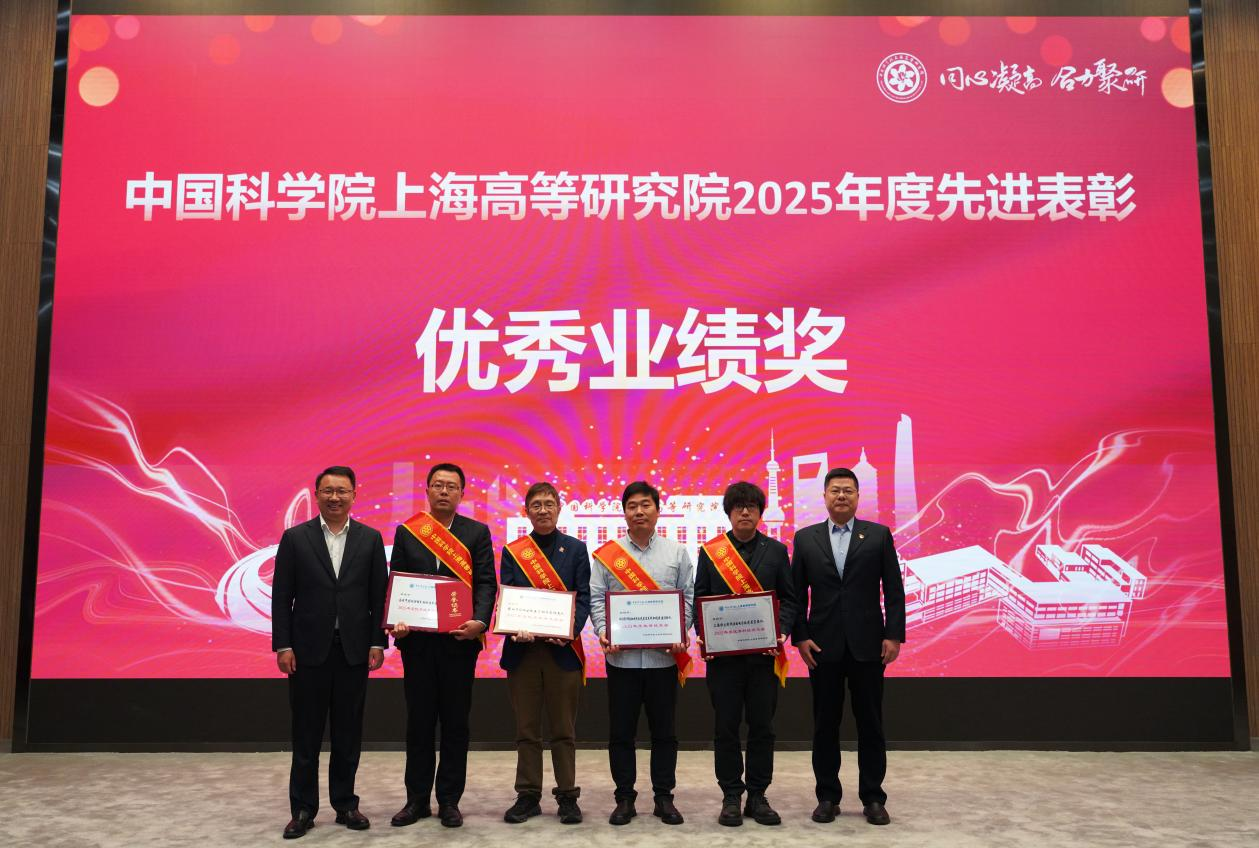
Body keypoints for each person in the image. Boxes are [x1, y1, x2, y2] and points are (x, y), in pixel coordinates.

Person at [271, 466, 387, 839]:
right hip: (307, 652)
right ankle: (303, 809)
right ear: (317, 494)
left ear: (354, 494)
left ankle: (346, 804)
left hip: (353, 651)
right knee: (306, 735)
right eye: (328, 491)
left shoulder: (370, 539)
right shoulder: (295, 538)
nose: (335, 497)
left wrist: (377, 642)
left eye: (342, 491)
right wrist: (283, 645)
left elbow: (379, 597)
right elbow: (281, 597)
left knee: (348, 733)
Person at [791, 467, 906, 826]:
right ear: (824, 496)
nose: (841, 496)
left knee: (871, 723)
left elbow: (894, 590)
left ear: (858, 496)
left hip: (869, 646)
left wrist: (893, 635)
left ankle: (873, 797)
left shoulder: (878, 536)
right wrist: (800, 637)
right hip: (822, 647)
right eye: (835, 490)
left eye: (848, 491)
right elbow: (796, 596)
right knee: (825, 724)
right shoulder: (805, 539)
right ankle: (827, 796)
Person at [389, 463, 496, 828]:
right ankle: (416, 800)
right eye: (438, 485)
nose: (444, 491)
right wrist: (397, 619)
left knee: (455, 723)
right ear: (427, 491)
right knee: (419, 723)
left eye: (451, 486)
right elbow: (397, 581)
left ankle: (449, 800)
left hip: (459, 643)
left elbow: (486, 582)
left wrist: (480, 621)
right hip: (417, 644)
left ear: (462, 493)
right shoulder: (408, 532)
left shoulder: (476, 532)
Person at [589, 480, 694, 826]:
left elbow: (688, 598)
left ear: (657, 510)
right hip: (622, 661)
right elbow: (597, 599)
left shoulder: (676, 553)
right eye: (632, 506)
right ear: (624, 512)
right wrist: (603, 631)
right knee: (621, 733)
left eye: (645, 505)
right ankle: (624, 798)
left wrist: (680, 632)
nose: (639, 511)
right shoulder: (607, 555)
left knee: (665, 732)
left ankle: (664, 797)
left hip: (663, 660)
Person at [694, 481, 796, 827]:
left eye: (752, 506)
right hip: (724, 660)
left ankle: (757, 794)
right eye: (738, 507)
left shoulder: (777, 551)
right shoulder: (711, 552)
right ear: (729, 512)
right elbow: (700, 599)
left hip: (763, 658)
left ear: (760, 512)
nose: (745, 512)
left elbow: (790, 599)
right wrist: (704, 636)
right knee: (725, 727)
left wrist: (781, 631)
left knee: (762, 727)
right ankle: (731, 795)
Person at [499, 482, 591, 825]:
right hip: (522, 652)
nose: (543, 510)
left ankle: (567, 795)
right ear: (526, 511)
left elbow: (584, 597)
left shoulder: (576, 549)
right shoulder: (513, 551)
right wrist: (514, 627)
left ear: (559, 508)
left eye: (549, 504)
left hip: (562, 653)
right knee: (527, 729)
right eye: (536, 505)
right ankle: (528, 795)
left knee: (563, 729)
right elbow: (507, 596)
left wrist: (568, 631)